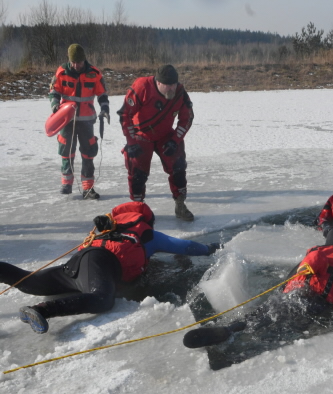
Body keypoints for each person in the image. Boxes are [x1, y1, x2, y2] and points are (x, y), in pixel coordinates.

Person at [0, 202, 220, 334]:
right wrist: (209, 248)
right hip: (101, 262)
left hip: (78, 264)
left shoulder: (109, 230)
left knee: (29, 282)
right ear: (147, 220)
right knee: (102, 299)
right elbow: (185, 246)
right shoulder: (147, 234)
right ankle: (41, 311)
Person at [182, 227, 333, 354]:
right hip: (321, 310)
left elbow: (287, 284)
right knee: (288, 330)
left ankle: (231, 330)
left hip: (293, 297)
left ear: (327, 243)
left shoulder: (311, 260)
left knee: (262, 316)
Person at [117, 65, 195, 221]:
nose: (171, 88)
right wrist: (131, 142)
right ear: (158, 82)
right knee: (137, 171)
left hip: (165, 135)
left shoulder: (179, 92)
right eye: (168, 85)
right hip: (142, 134)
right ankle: (138, 207)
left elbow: (187, 118)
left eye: (174, 84)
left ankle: (180, 204)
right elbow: (125, 114)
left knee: (178, 166)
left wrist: (175, 141)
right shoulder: (142, 87)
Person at [48, 43, 109, 199]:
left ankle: (88, 188)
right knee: (66, 151)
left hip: (87, 121)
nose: (77, 65)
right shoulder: (62, 72)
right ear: (69, 61)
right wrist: (55, 106)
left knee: (88, 153)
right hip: (66, 121)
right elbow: (54, 92)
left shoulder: (94, 73)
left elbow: (102, 95)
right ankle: (67, 183)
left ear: (84, 60)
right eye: (74, 62)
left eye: (79, 62)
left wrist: (105, 109)